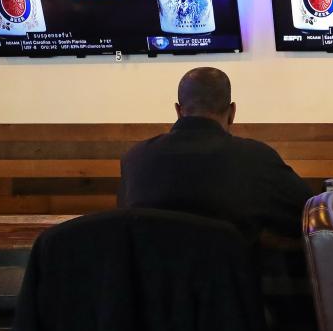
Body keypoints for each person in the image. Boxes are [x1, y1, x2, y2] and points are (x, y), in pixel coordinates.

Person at [118, 67, 314, 246]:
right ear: (232, 112)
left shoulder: (136, 158)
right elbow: (309, 215)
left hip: (149, 283)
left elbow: (125, 220)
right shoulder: (255, 159)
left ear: (178, 111)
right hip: (230, 283)